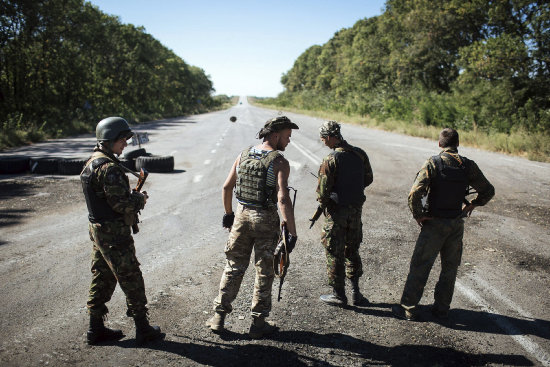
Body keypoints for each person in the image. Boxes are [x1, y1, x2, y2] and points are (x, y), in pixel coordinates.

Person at [207, 116, 299, 339]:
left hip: (241, 214)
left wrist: (229, 215)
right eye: (287, 137)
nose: (288, 142)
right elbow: (283, 198)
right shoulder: (279, 162)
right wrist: (292, 232)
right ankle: (258, 322)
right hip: (265, 219)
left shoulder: (244, 154)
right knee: (264, 270)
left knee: (234, 266)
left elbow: (227, 187)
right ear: (275, 135)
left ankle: (219, 318)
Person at [392, 128, 495, 321]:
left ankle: (409, 308)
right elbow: (488, 190)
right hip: (456, 224)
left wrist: (418, 215)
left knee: (420, 266)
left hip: (435, 224)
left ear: (440, 144)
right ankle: (441, 309)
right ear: (457, 143)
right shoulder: (468, 165)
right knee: (450, 268)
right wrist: (472, 205)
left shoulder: (434, 162)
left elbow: (415, 192)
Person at [81, 117, 164, 345]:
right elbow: (123, 205)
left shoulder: (92, 163)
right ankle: (143, 328)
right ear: (109, 140)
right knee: (131, 277)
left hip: (99, 231)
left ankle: (95, 328)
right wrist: (139, 199)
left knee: (103, 275)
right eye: (122, 140)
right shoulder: (109, 169)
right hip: (113, 233)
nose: (125, 145)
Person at [315, 121, 374, 306]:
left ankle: (339, 295)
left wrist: (328, 200)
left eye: (324, 138)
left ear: (332, 137)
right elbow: (368, 178)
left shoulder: (330, 160)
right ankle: (357, 294)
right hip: (356, 212)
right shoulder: (359, 154)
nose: (323, 142)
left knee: (334, 252)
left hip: (337, 214)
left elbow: (322, 193)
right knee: (352, 250)